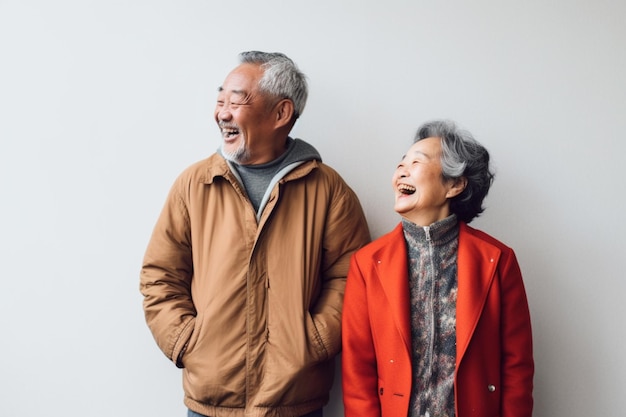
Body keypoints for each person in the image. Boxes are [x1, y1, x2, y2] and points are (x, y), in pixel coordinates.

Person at [140, 51, 370, 417]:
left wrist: (314, 340)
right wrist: (185, 340)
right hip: (210, 399)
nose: (222, 113)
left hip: (295, 400)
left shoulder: (328, 189)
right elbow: (160, 276)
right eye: (220, 100)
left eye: (236, 101)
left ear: (281, 113)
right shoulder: (194, 184)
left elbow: (352, 278)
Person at [341, 120, 534, 417]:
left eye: (416, 162)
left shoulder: (498, 261)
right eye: (400, 164)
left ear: (454, 184)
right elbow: (357, 371)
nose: (401, 171)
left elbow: (517, 366)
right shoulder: (367, 264)